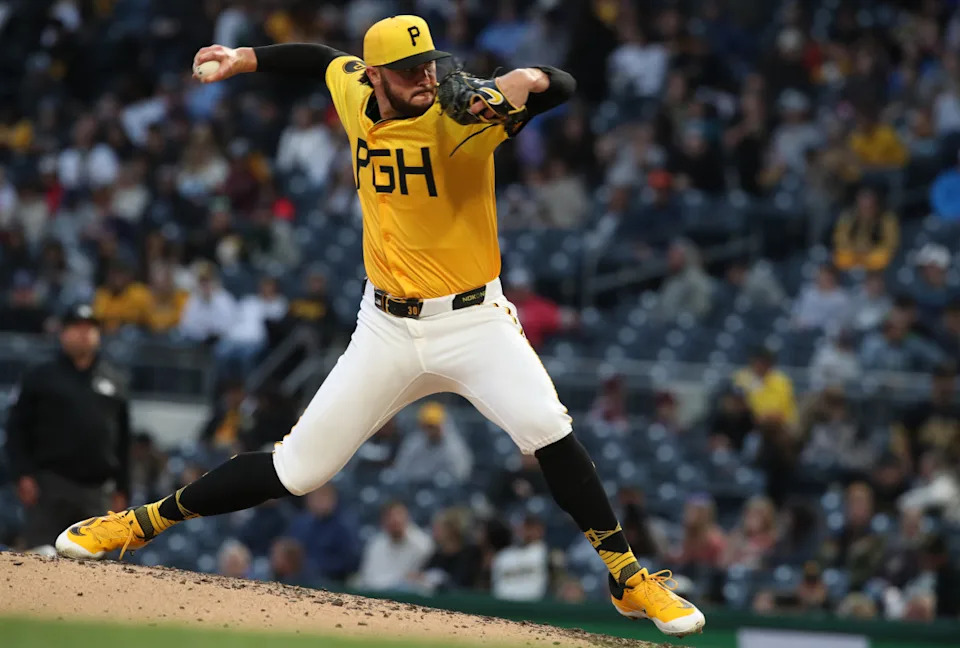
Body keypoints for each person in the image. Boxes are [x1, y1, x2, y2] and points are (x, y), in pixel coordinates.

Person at [54, 16, 704, 637]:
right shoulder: (353, 89)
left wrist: (528, 81)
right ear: (375, 77)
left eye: (426, 64)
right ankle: (136, 524)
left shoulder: (464, 121)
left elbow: (559, 87)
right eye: (405, 69)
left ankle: (626, 576)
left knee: (547, 429)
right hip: (387, 327)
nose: (423, 77)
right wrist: (244, 59)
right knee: (299, 471)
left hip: (472, 320)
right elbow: (319, 60)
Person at [5, 304, 130, 551]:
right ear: (63, 333)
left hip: (98, 492)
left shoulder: (115, 380)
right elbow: (17, 428)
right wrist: (22, 474)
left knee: (95, 570)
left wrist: (123, 488)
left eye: (90, 328)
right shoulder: (41, 376)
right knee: (41, 557)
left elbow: (123, 439)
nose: (84, 334)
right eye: (76, 327)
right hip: (50, 486)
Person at [354, 500, 433, 592]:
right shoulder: (375, 544)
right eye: (389, 516)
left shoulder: (423, 544)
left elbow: (425, 582)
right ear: (382, 521)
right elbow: (369, 579)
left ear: (407, 517)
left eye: (399, 515)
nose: (395, 520)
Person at [393, 401, 473, 485]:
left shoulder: (453, 446)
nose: (430, 431)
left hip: (445, 490)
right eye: (427, 426)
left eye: (433, 426)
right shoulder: (414, 443)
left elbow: (461, 474)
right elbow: (401, 468)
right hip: (416, 487)